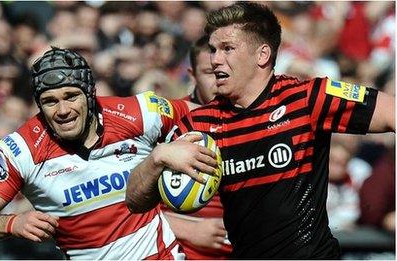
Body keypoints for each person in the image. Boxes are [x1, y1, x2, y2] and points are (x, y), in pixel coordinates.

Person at [125, 2, 395, 259]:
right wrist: (157, 158)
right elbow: (134, 202)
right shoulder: (200, 124)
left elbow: (391, 111)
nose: (215, 60)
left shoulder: (307, 98)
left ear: (262, 55)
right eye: (213, 49)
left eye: (227, 48)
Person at [0, 47, 199, 259]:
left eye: (71, 96)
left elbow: (201, 113)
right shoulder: (22, 150)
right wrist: (12, 223)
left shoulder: (139, 113)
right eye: (50, 101)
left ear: (90, 94)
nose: (62, 110)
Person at [162, 35, 232, 260]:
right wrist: (187, 228)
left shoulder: (255, 120)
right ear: (192, 75)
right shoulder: (166, 123)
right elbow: (124, 202)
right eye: (209, 72)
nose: (219, 78)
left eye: (225, 68)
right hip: (183, 252)